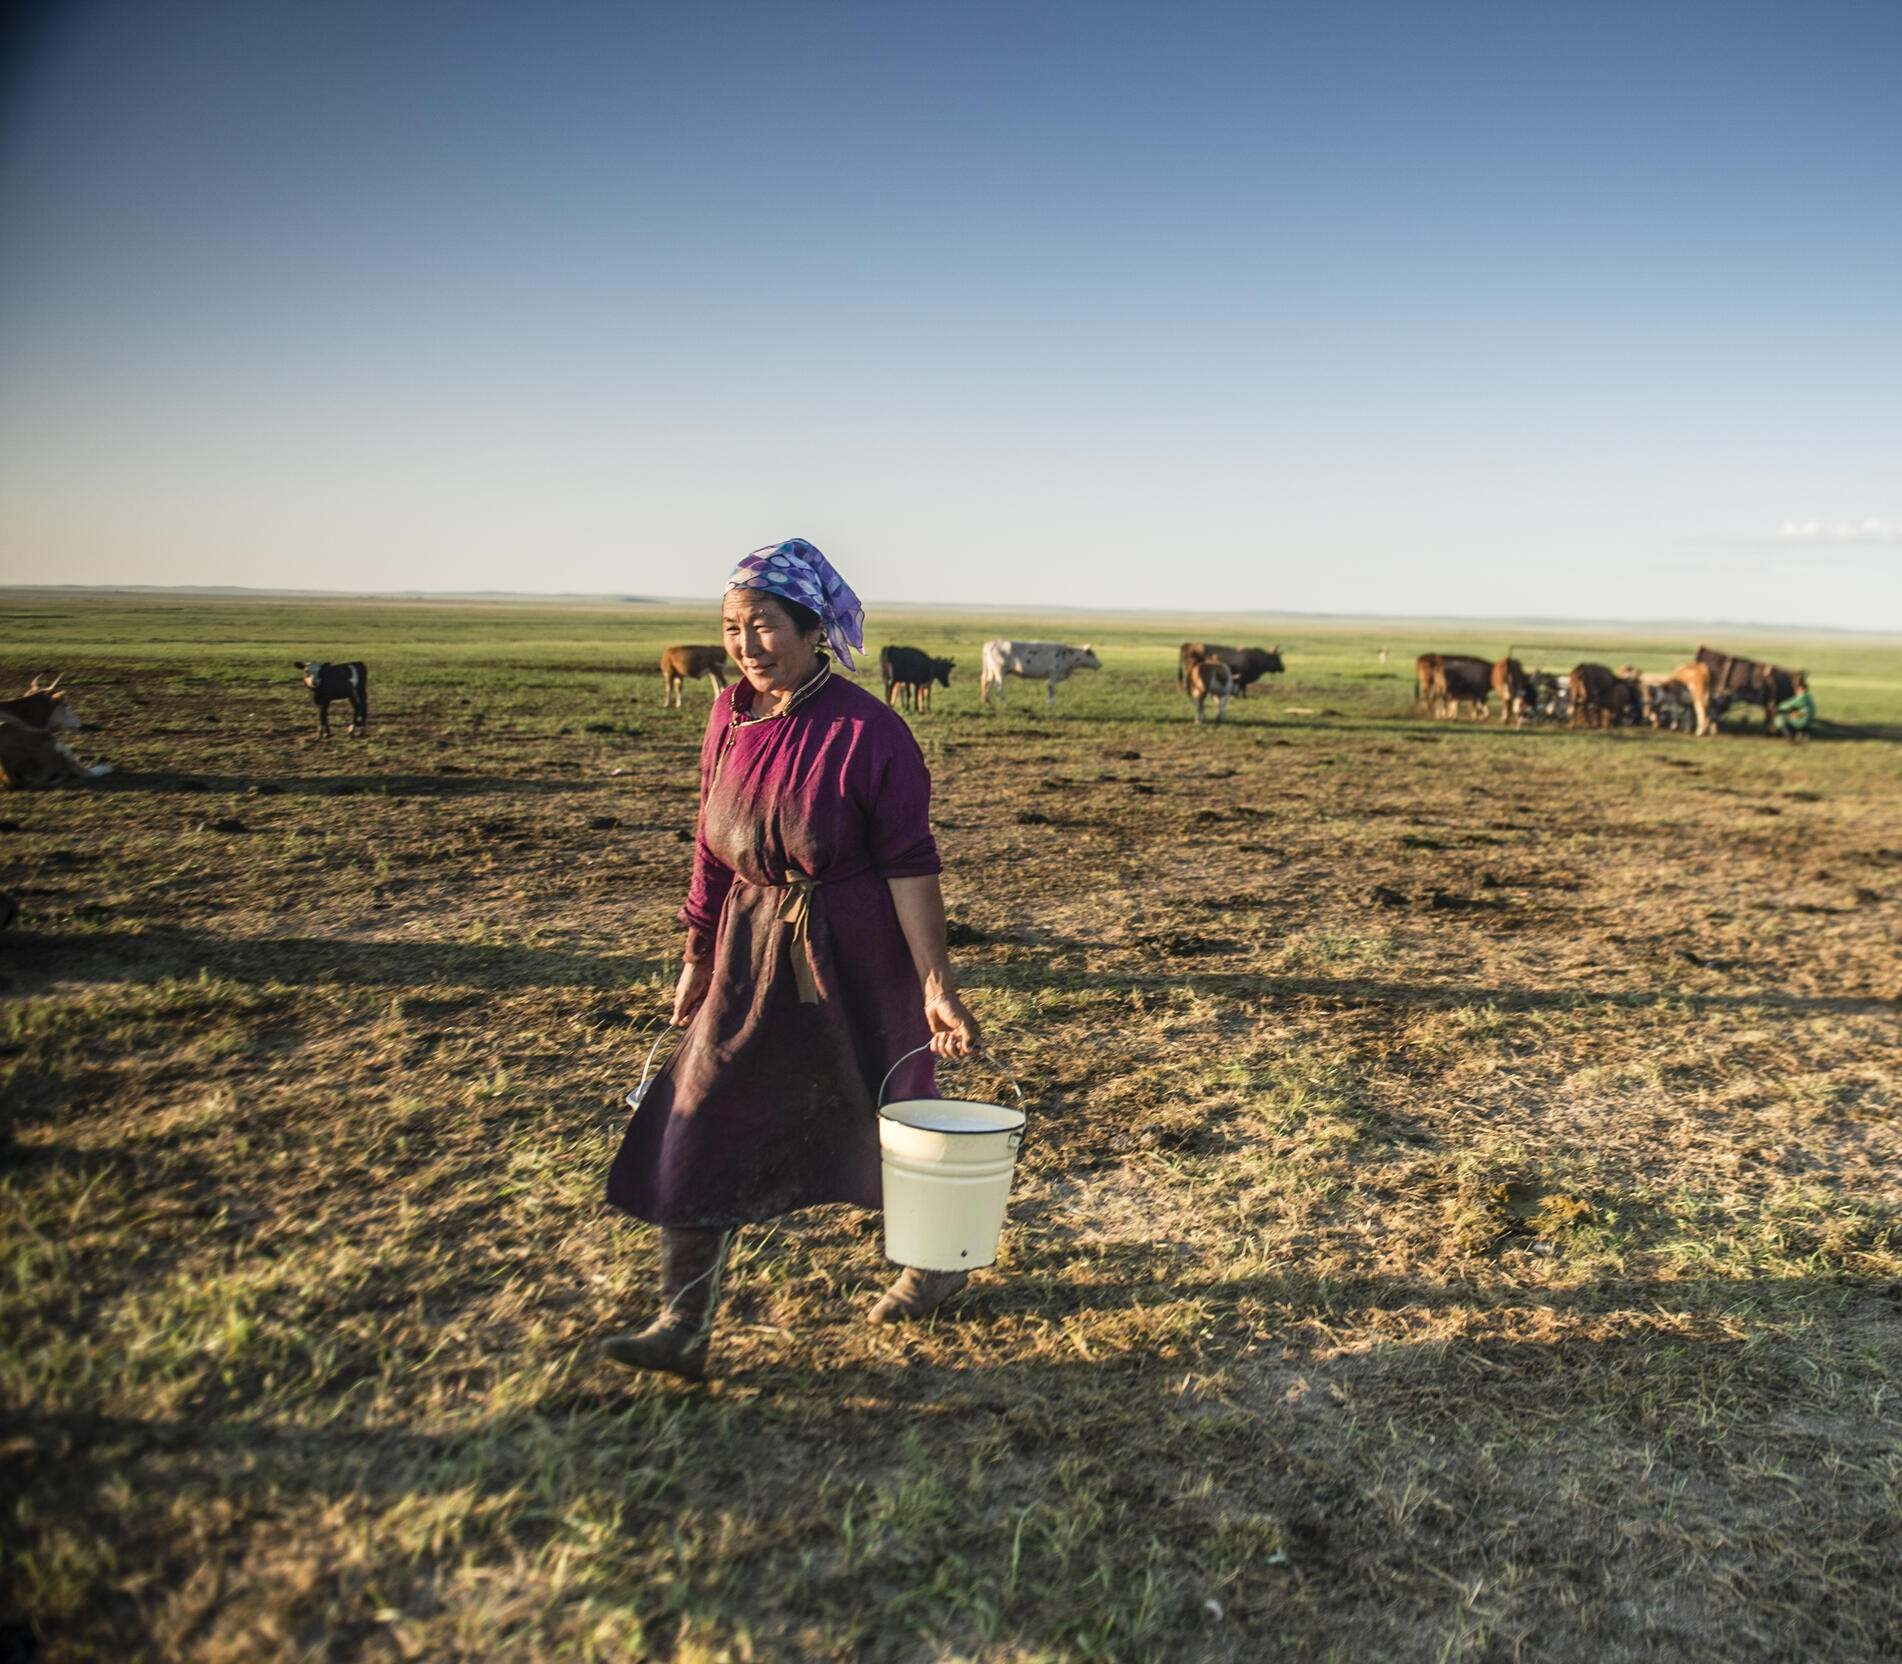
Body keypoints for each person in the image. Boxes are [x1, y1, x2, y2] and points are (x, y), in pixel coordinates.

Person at [603, 538, 982, 1381]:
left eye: (763, 625)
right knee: (697, 1107)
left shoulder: (870, 731)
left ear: (813, 629)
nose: (744, 644)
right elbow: (711, 841)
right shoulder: (728, 715)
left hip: (853, 951)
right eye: (732, 627)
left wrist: (935, 984)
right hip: (748, 943)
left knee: (891, 1111)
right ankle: (683, 1324)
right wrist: (697, 951)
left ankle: (937, 1263)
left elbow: (911, 863)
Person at [1775, 673, 1816, 740]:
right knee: (1791, 714)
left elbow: (1786, 705)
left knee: (1780, 718)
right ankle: (1802, 733)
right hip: (1808, 721)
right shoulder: (1808, 697)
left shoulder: (1802, 698)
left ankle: (1790, 735)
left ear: (1800, 688)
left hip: (1803, 721)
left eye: (1796, 688)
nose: (1795, 690)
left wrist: (1778, 707)